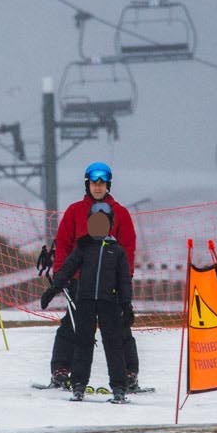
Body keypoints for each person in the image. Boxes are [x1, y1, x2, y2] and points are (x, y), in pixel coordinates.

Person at [43, 161, 140, 390]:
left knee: (119, 328)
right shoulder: (75, 211)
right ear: (88, 185)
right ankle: (61, 370)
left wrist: (125, 277)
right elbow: (65, 245)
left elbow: (127, 248)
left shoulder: (121, 214)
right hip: (80, 282)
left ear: (108, 185)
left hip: (110, 284)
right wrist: (61, 275)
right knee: (71, 325)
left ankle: (129, 372)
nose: (98, 187)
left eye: (102, 183)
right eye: (94, 183)